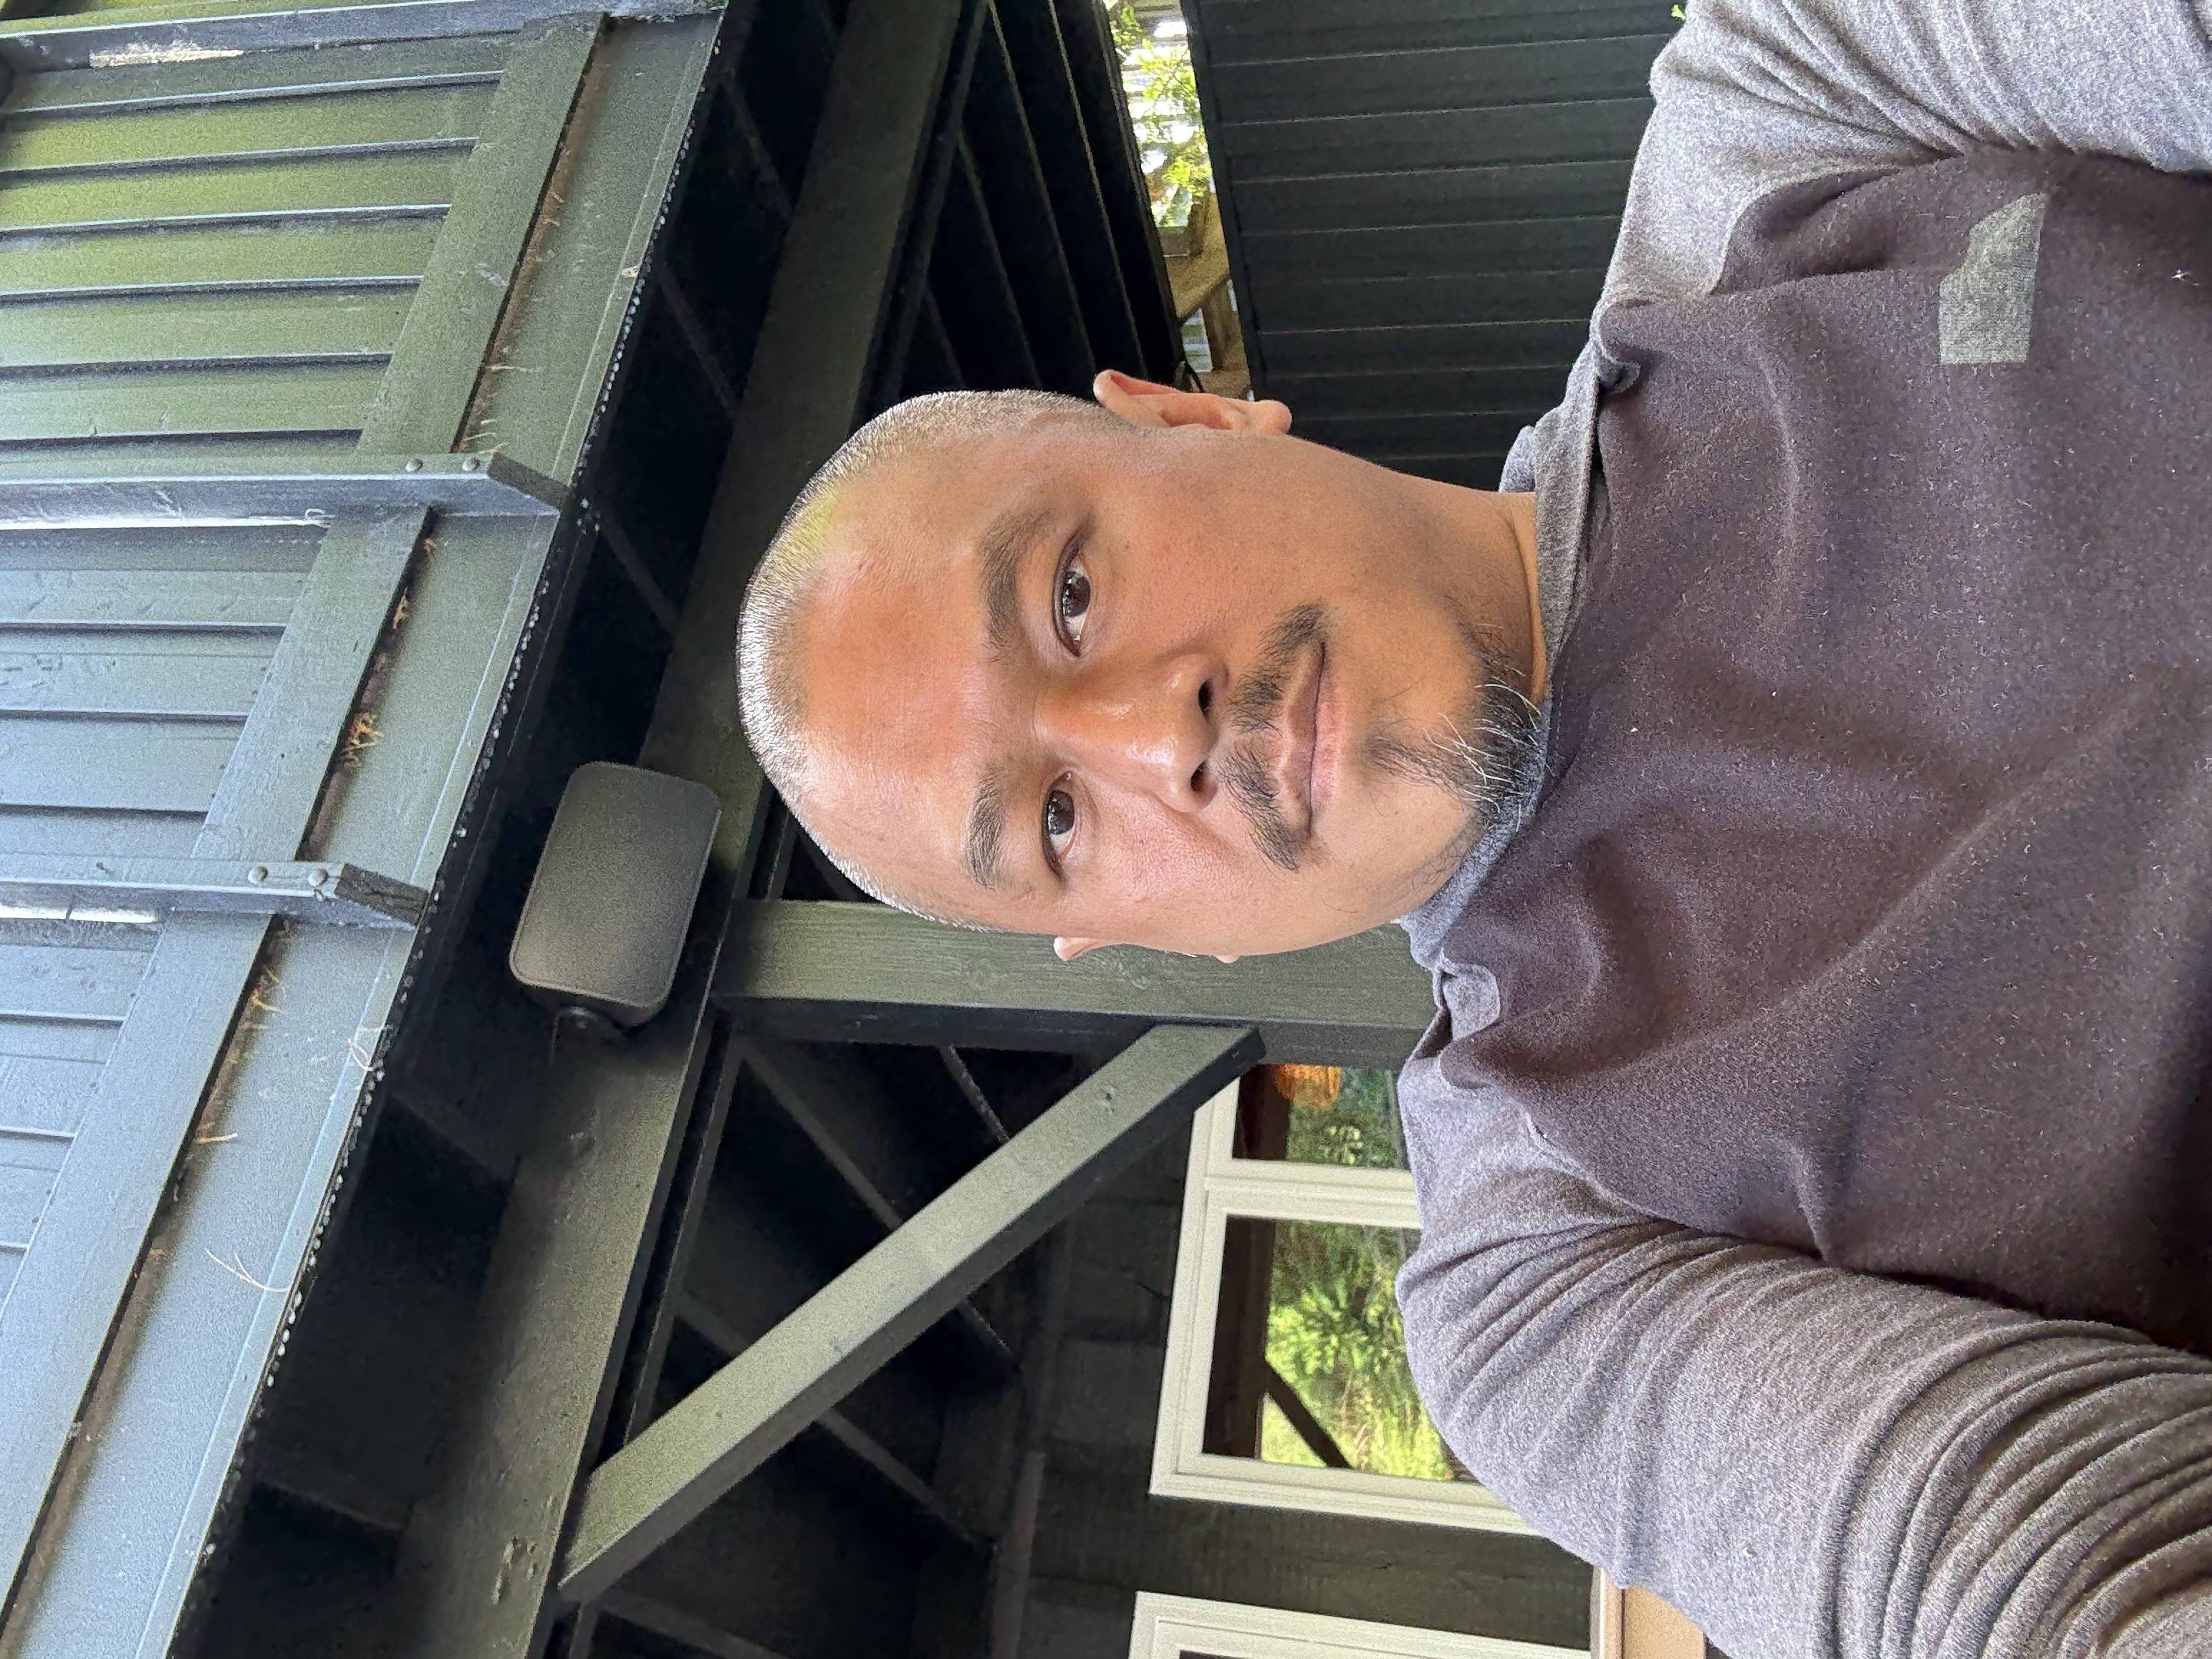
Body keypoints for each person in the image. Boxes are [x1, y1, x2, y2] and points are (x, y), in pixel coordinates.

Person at [734, 1, 2212, 1653]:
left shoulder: (1783, 111)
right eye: (1057, 819)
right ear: (1132, 937)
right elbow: (2023, 1577)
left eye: (1069, 595)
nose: (1159, 737)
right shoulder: (1545, 1290)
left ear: (1190, 418)